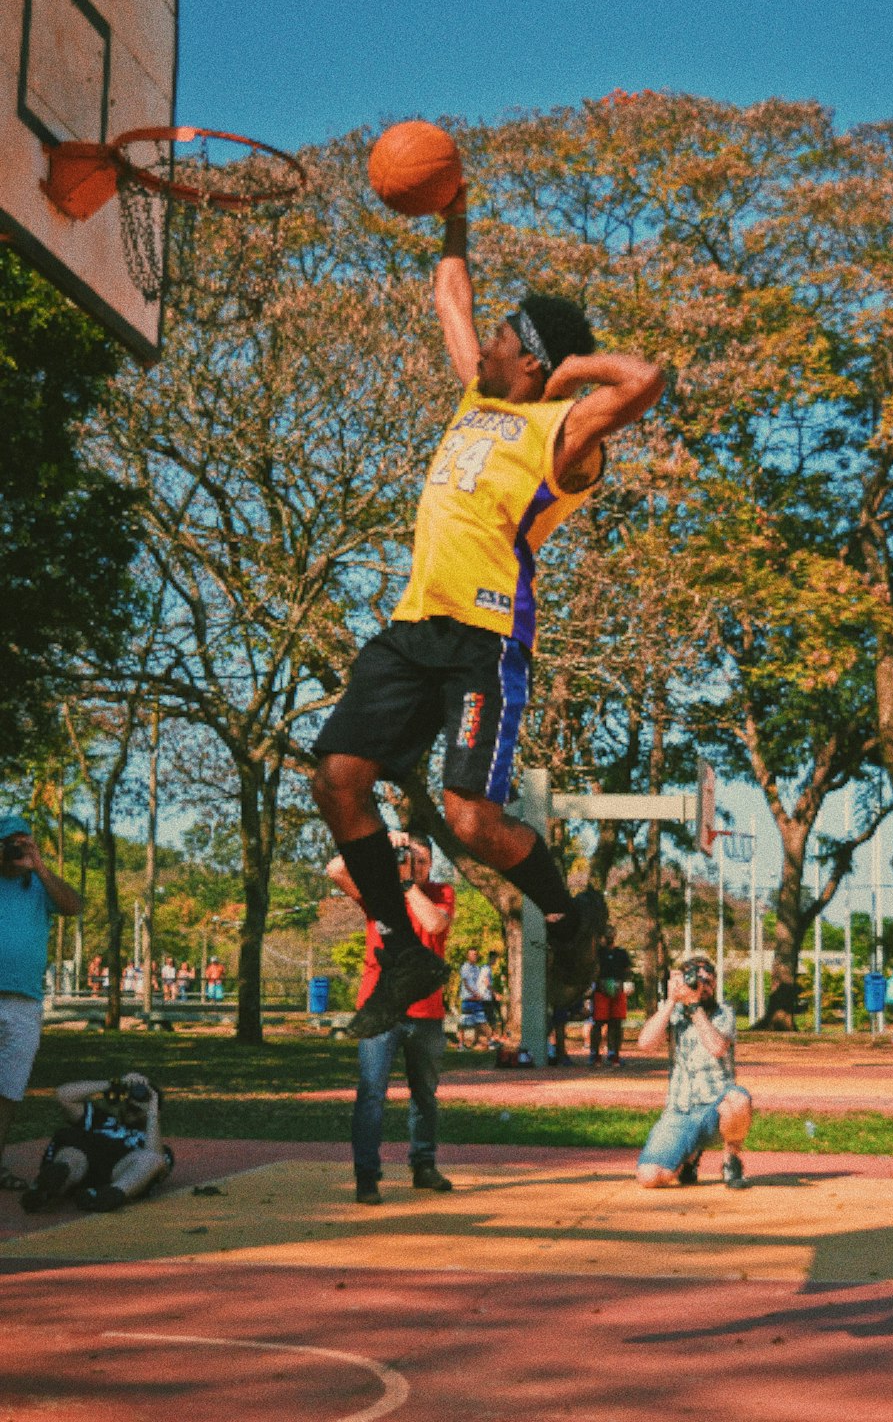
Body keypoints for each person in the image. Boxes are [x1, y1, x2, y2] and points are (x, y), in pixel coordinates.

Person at [311, 185, 665, 1038]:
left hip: (485, 636)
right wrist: (454, 210)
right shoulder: (479, 397)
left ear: (534, 362)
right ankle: (404, 950)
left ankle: (570, 919)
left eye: (506, 338)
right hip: (413, 626)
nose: (487, 344)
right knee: (337, 780)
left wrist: (574, 370)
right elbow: (450, 293)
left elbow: (647, 379)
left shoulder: (563, 433)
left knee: (469, 818)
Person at [327, 830, 456, 1205]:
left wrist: (406, 883)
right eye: (407, 858)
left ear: (431, 865)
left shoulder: (440, 892)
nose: (413, 865)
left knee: (425, 1095)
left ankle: (424, 1165)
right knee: (371, 1094)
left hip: (426, 1011)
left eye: (421, 861)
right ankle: (367, 1176)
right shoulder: (377, 893)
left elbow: (434, 925)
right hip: (380, 1009)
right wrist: (381, 844)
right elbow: (335, 868)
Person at [0, 815, 83, 1193]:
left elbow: (73, 906)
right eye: (11, 843)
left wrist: (41, 866)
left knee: (9, 1089)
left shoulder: (39, 887)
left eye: (25, 842)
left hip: (25, 1003)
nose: (18, 849)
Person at [635, 952, 752, 1191]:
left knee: (738, 1098)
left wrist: (695, 1006)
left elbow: (717, 1048)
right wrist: (670, 1001)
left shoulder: (723, 1013)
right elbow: (645, 1044)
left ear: (716, 984)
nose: (703, 987)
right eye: (696, 982)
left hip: (715, 1110)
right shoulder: (674, 1014)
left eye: (708, 982)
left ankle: (731, 1159)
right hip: (679, 1111)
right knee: (650, 1177)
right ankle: (688, 1157)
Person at [21, 1070, 172, 1213]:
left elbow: (156, 1160)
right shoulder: (102, 1119)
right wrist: (114, 1084)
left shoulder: (155, 1144)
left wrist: (151, 1112)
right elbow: (63, 1096)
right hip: (83, 1161)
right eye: (129, 1103)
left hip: (116, 1173)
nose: (131, 1107)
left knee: (152, 1159)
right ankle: (46, 1188)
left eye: (137, 1107)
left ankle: (107, 1195)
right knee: (72, 1155)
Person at [589, 923, 633, 1067]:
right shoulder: (597, 953)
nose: (609, 936)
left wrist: (627, 982)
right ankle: (594, 1054)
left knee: (616, 1023)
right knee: (598, 1023)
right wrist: (597, 983)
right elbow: (593, 970)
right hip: (601, 991)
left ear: (614, 935)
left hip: (618, 989)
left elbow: (627, 970)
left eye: (611, 933)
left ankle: (614, 1054)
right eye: (606, 934)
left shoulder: (621, 953)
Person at [458, 946, 491, 1049]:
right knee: (463, 1024)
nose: (474, 956)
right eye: (472, 954)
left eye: (476, 954)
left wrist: (485, 988)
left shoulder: (477, 968)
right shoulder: (465, 967)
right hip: (468, 1000)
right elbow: (466, 983)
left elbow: (480, 982)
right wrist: (474, 994)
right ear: (468, 956)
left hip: (477, 1000)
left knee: (481, 1022)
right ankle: (461, 1045)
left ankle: (478, 1042)